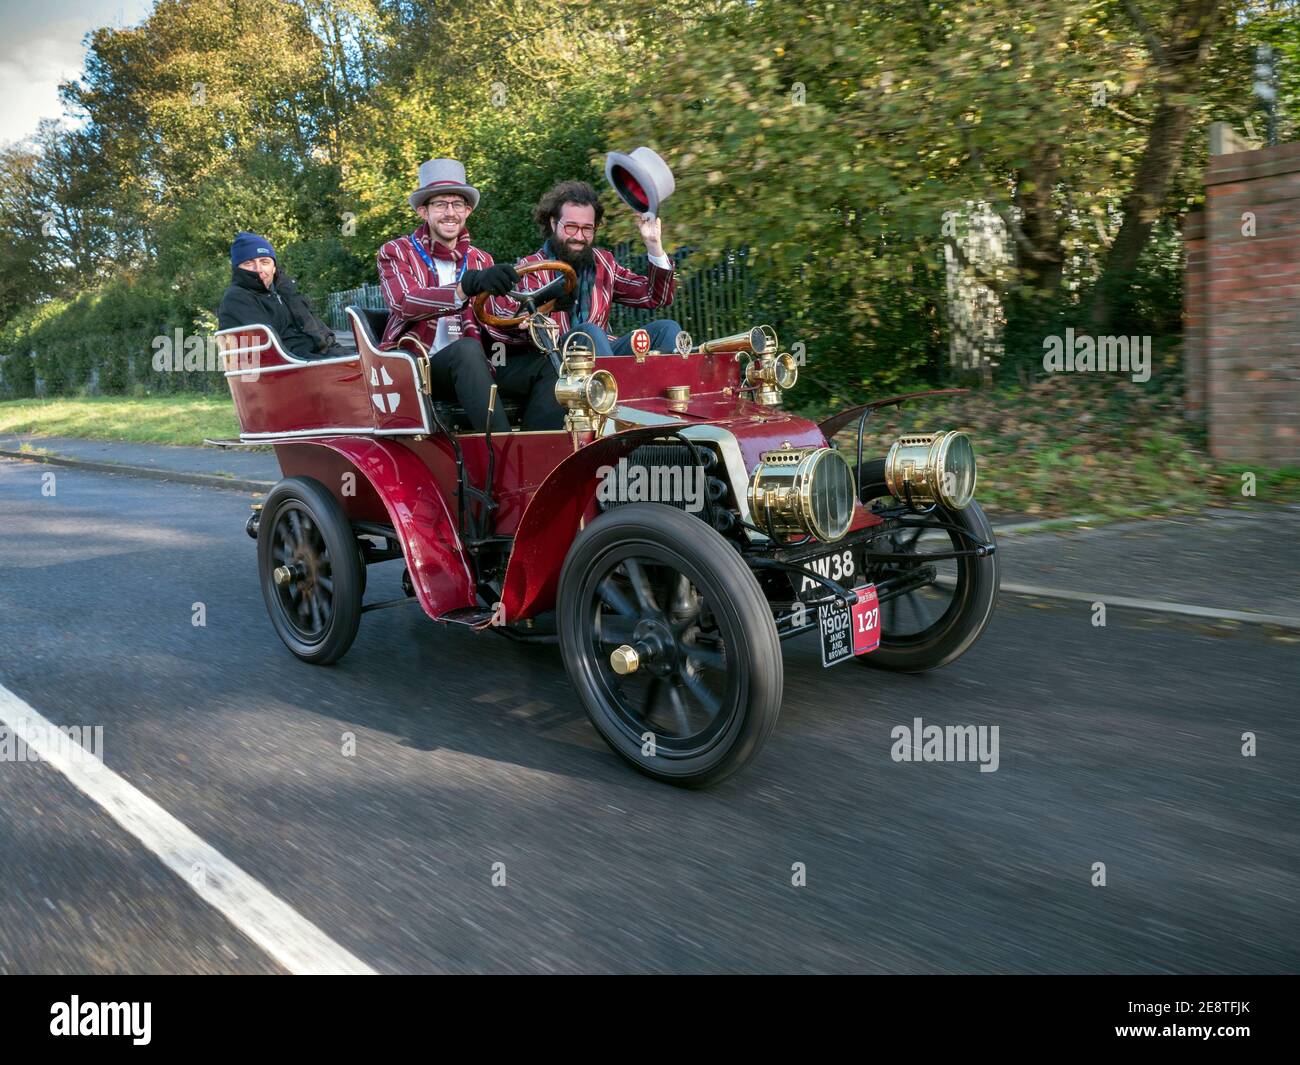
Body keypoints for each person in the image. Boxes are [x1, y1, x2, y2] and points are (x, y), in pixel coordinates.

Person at [376, 158, 564, 432]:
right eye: (440, 204)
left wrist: (529, 314)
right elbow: (404, 302)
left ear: (467, 211)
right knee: (466, 350)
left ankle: (535, 452)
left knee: (549, 362)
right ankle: (502, 457)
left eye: (457, 205)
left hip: (480, 365)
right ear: (423, 212)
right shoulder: (396, 252)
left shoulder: (481, 258)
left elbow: (499, 315)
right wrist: (465, 287)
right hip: (420, 365)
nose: (450, 213)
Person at [484, 180, 680, 357]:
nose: (579, 237)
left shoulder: (605, 262)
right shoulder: (532, 268)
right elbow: (509, 318)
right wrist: (533, 323)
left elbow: (657, 297)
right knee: (590, 332)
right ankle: (611, 393)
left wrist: (653, 244)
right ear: (553, 223)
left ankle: (669, 396)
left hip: (603, 351)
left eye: (587, 229)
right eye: (571, 227)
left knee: (667, 330)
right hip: (557, 359)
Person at [217, 233, 348, 358]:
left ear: (274, 267)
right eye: (249, 263)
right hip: (284, 370)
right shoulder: (237, 299)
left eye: (264, 262)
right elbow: (273, 352)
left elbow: (323, 334)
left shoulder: (286, 292)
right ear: (237, 269)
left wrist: (342, 355)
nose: (258, 269)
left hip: (315, 359)